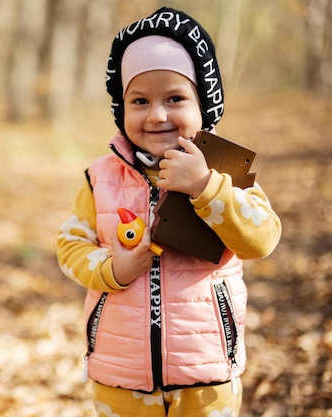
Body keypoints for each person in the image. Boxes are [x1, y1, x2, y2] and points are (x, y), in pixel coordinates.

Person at [56, 7, 281, 417]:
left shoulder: (225, 173)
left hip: (206, 374)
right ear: (121, 108)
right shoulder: (100, 177)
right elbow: (69, 245)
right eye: (139, 100)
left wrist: (205, 188)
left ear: (205, 104)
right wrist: (113, 268)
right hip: (120, 375)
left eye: (175, 98)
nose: (157, 114)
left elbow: (263, 237)